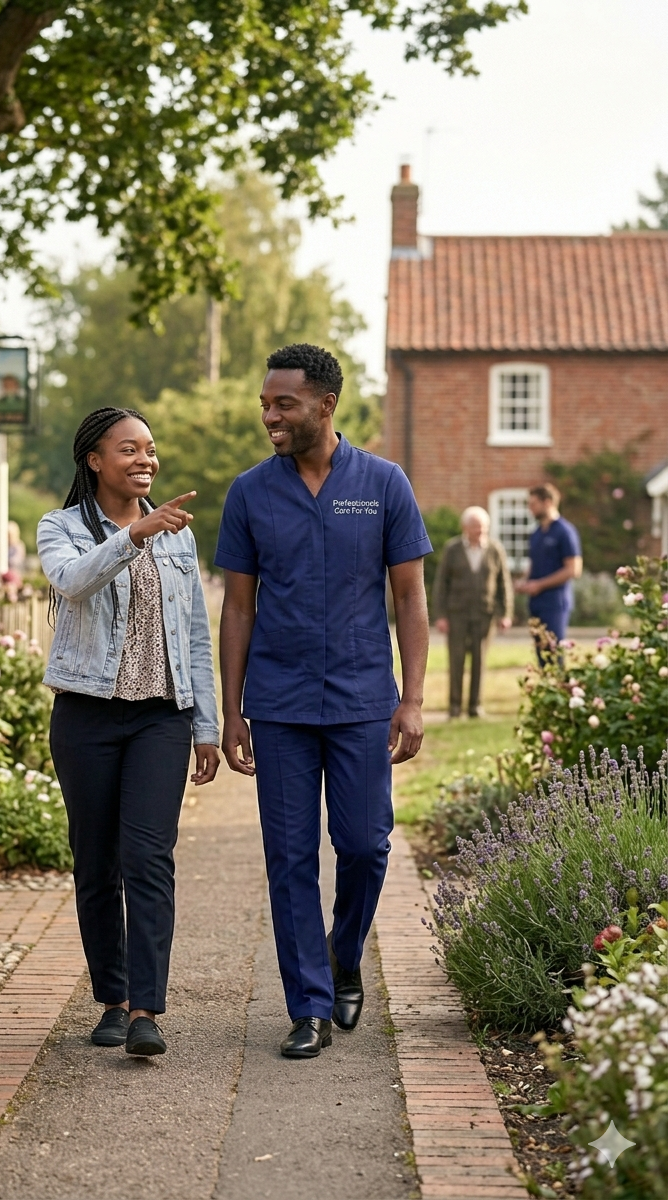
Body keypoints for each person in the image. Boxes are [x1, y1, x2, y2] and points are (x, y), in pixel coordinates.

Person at [215, 343, 432, 1059]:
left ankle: (344, 954)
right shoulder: (250, 492)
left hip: (364, 699)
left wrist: (413, 699)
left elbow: (408, 596)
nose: (271, 416)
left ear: (325, 405)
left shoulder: (384, 483)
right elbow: (238, 609)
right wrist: (232, 708)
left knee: (366, 846)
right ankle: (306, 1004)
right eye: (265, 404)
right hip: (278, 705)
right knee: (288, 857)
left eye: (284, 404)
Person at [38, 406, 220, 1058]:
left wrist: (207, 725)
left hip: (159, 718)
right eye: (129, 449)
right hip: (86, 715)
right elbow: (72, 582)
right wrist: (133, 535)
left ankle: (146, 1009)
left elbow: (196, 632)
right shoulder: (60, 527)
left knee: (148, 857)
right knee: (97, 864)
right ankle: (111, 1000)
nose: (146, 459)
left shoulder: (179, 535)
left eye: (150, 449)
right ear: (94, 458)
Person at [432, 506, 513, 718]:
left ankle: (475, 706)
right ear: (465, 527)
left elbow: (504, 583)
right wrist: (440, 615)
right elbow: (441, 584)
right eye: (476, 526)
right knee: (456, 660)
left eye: (484, 527)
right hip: (457, 613)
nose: (480, 531)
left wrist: (506, 614)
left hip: (484, 614)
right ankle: (455, 707)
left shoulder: (495, 550)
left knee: (479, 661)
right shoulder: (453, 549)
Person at [515, 484, 582, 660]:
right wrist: (524, 581)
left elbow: (573, 569)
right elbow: (533, 564)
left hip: (555, 604)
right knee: (541, 655)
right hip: (536, 603)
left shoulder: (564, 532)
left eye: (533, 504)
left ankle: (559, 687)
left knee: (554, 653)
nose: (530, 509)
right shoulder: (536, 533)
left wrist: (540, 584)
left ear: (548, 502)